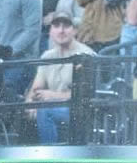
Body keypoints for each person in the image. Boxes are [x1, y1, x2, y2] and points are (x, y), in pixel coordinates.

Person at [25, 11, 95, 144]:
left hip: (78, 109)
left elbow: (84, 95)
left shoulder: (85, 54)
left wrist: (52, 95)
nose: (61, 30)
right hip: (53, 107)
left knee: (45, 111)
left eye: (66, 26)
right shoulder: (47, 56)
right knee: (26, 111)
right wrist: (30, 104)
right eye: (56, 26)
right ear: (51, 32)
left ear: (74, 31)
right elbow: (36, 90)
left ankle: (50, 157)